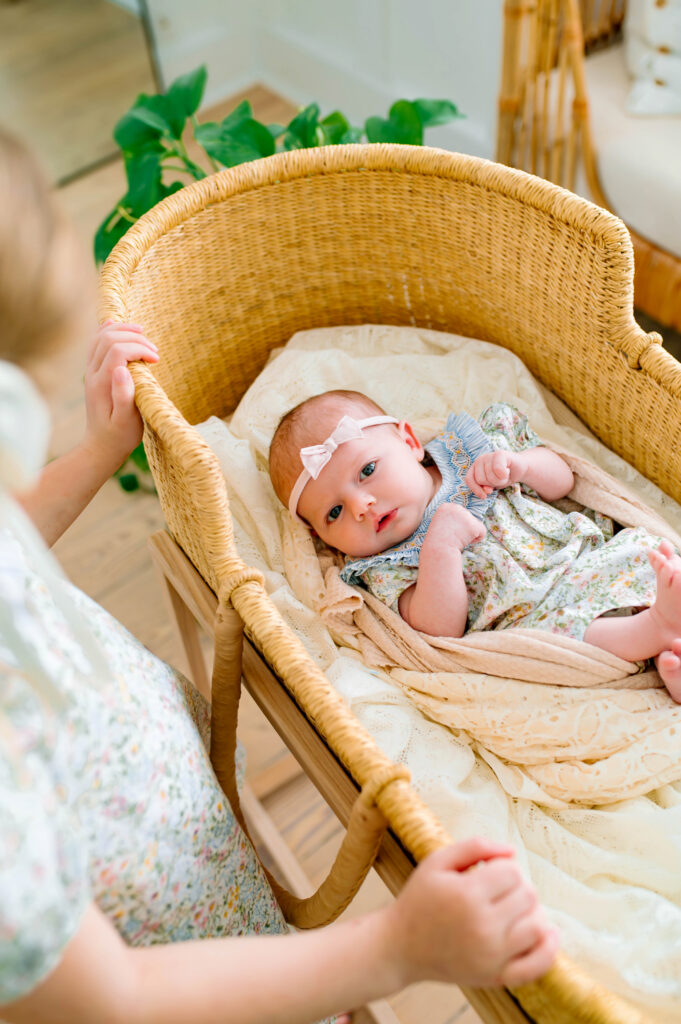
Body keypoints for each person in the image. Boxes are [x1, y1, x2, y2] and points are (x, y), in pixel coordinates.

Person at [0, 127, 559, 1024]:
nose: (362, 511)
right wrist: (392, 950)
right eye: (332, 511)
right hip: (167, 971)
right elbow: (110, 1001)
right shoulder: (380, 575)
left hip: (195, 879)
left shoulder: (458, 446)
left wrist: (104, 446)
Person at [269, 388, 681, 702]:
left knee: (648, 550)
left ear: (410, 443)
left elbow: (564, 482)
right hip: (534, 613)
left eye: (368, 470)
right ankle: (653, 630)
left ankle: (668, 650)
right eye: (334, 513)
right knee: (562, 636)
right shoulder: (384, 567)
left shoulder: (474, 450)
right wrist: (440, 549)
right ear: (319, 537)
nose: (361, 505)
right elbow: (439, 629)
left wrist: (522, 465)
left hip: (589, 556)